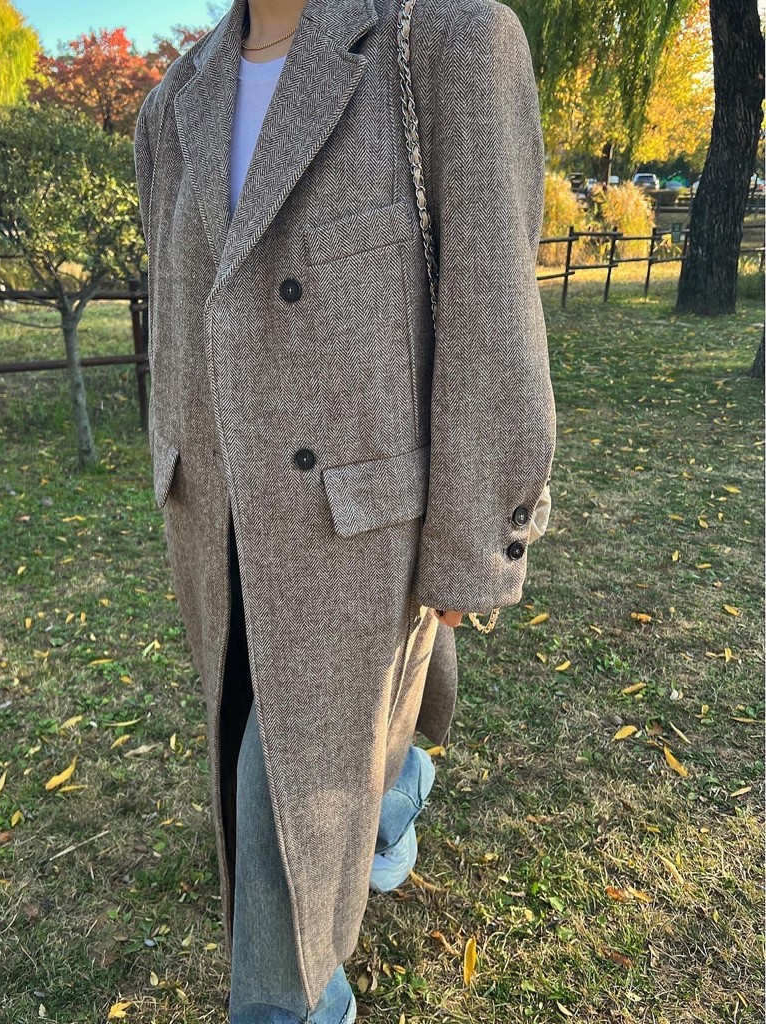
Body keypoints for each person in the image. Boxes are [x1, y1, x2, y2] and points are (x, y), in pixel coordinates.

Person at [134, 0, 556, 1020]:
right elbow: (186, 312)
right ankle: (395, 790)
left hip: (359, 529)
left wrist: (474, 538)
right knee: (293, 748)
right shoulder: (175, 101)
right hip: (220, 515)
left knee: (278, 799)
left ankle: (290, 1004)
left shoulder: (448, 42)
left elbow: (493, 310)